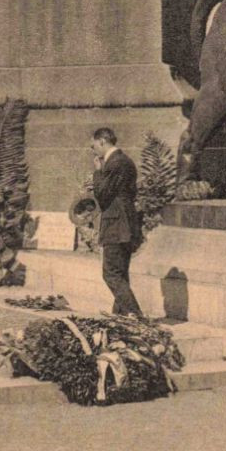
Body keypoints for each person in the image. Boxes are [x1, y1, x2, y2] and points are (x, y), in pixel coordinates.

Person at [90, 127, 144, 317]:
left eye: (94, 146)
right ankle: (120, 316)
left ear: (102, 142)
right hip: (127, 224)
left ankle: (135, 314)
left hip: (117, 225)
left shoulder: (115, 163)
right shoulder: (125, 161)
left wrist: (97, 172)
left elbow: (102, 195)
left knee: (111, 273)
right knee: (120, 273)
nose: (93, 151)